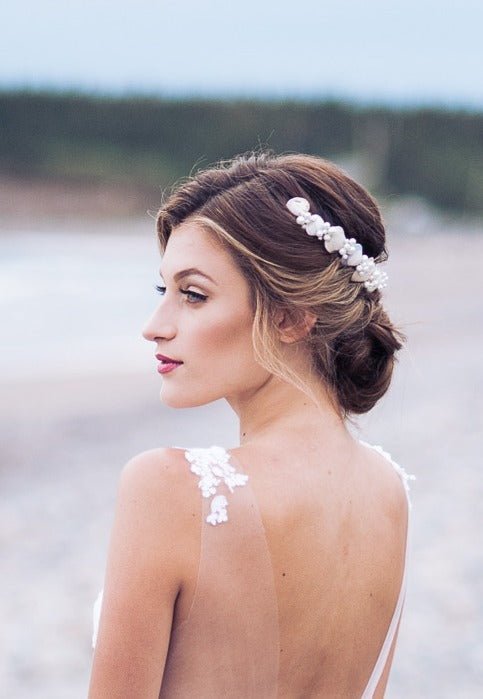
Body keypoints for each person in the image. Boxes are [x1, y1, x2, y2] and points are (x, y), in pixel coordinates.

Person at [88, 151, 413, 698]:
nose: (155, 327)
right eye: (161, 291)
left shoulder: (171, 489)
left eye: (193, 295)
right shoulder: (389, 489)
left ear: (290, 315)